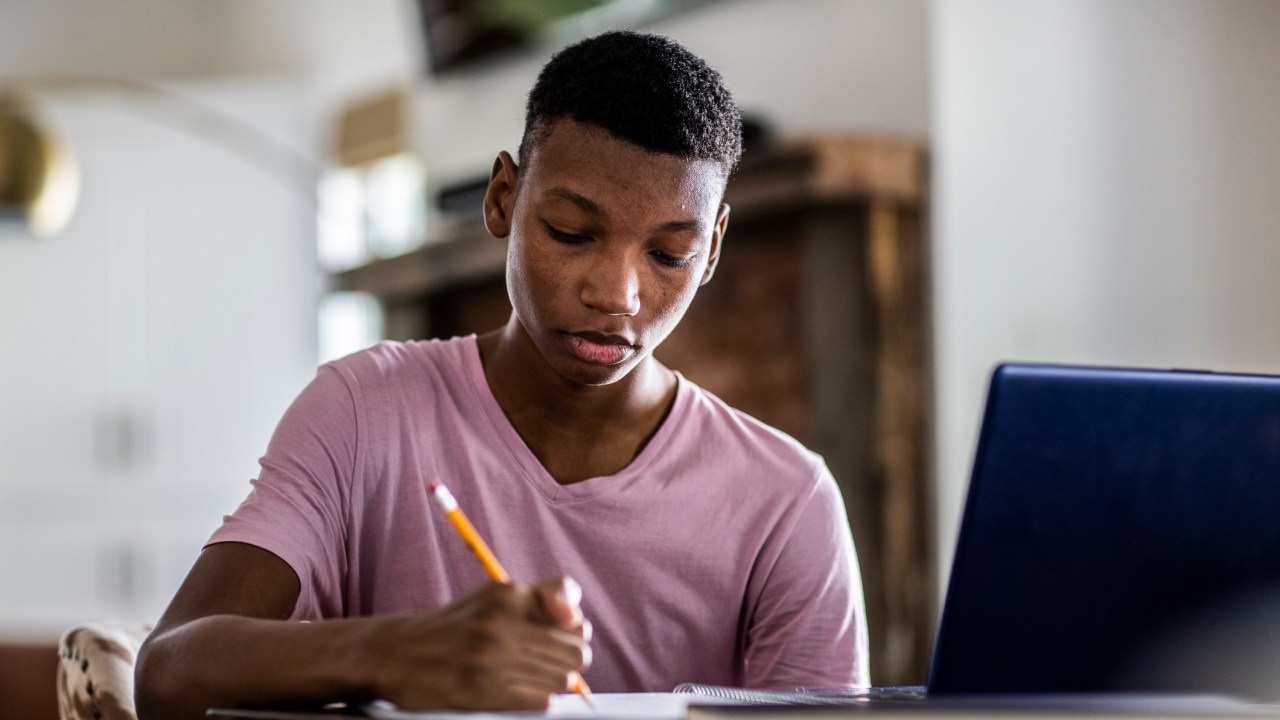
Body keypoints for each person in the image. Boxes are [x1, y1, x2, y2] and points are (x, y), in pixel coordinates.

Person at [134, 30, 868, 719]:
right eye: (572, 234)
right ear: (503, 199)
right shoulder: (363, 411)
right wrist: (398, 650)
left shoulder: (787, 503)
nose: (617, 294)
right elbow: (165, 673)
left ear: (711, 252)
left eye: (669, 254)